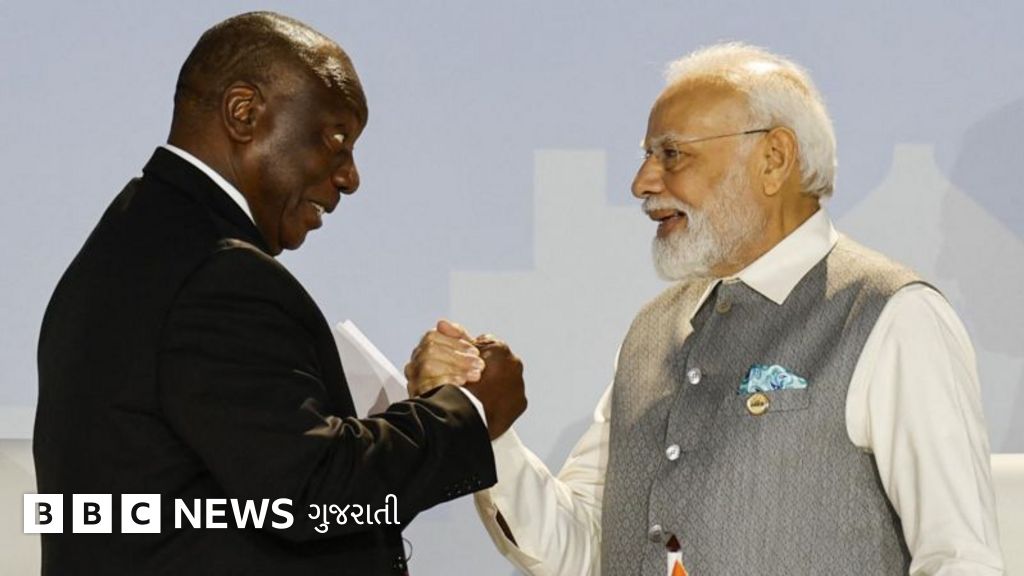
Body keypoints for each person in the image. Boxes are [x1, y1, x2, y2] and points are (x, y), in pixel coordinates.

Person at [423, 43, 1005, 574]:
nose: (642, 182)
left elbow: (961, 560)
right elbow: (580, 550)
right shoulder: (652, 330)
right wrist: (489, 429)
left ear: (774, 158)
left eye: (672, 154)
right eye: (648, 155)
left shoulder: (891, 315)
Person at [34, 11, 525, 575]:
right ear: (244, 113)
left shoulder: (131, 243)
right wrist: (466, 411)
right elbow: (309, 496)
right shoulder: (217, 275)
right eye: (336, 139)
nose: (350, 177)